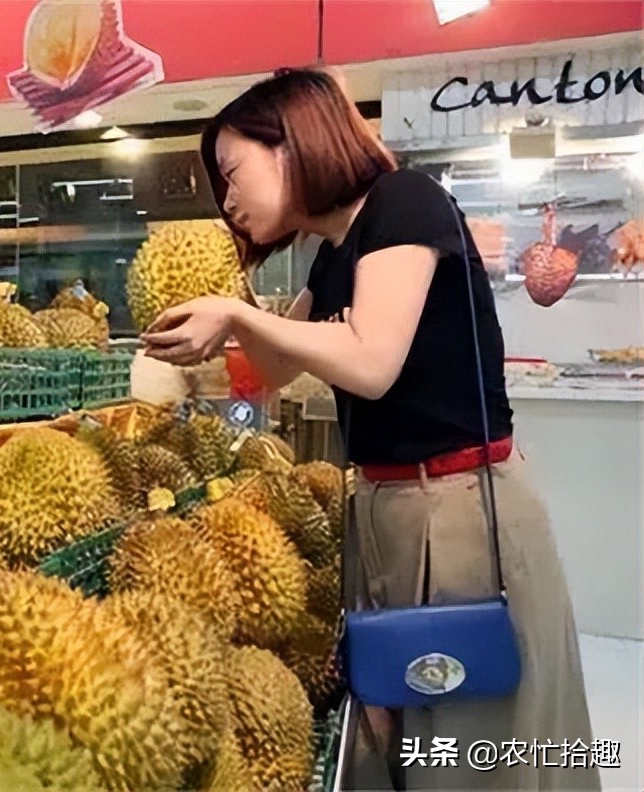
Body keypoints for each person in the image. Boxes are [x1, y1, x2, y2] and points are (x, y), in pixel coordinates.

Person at [141, 68, 600, 792]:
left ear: (292, 145)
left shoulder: (403, 203)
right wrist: (211, 321)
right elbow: (272, 370)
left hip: (457, 512)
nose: (226, 200)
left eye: (231, 174)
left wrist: (234, 317)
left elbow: (372, 360)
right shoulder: (334, 254)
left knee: (478, 745)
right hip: (389, 508)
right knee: (405, 739)